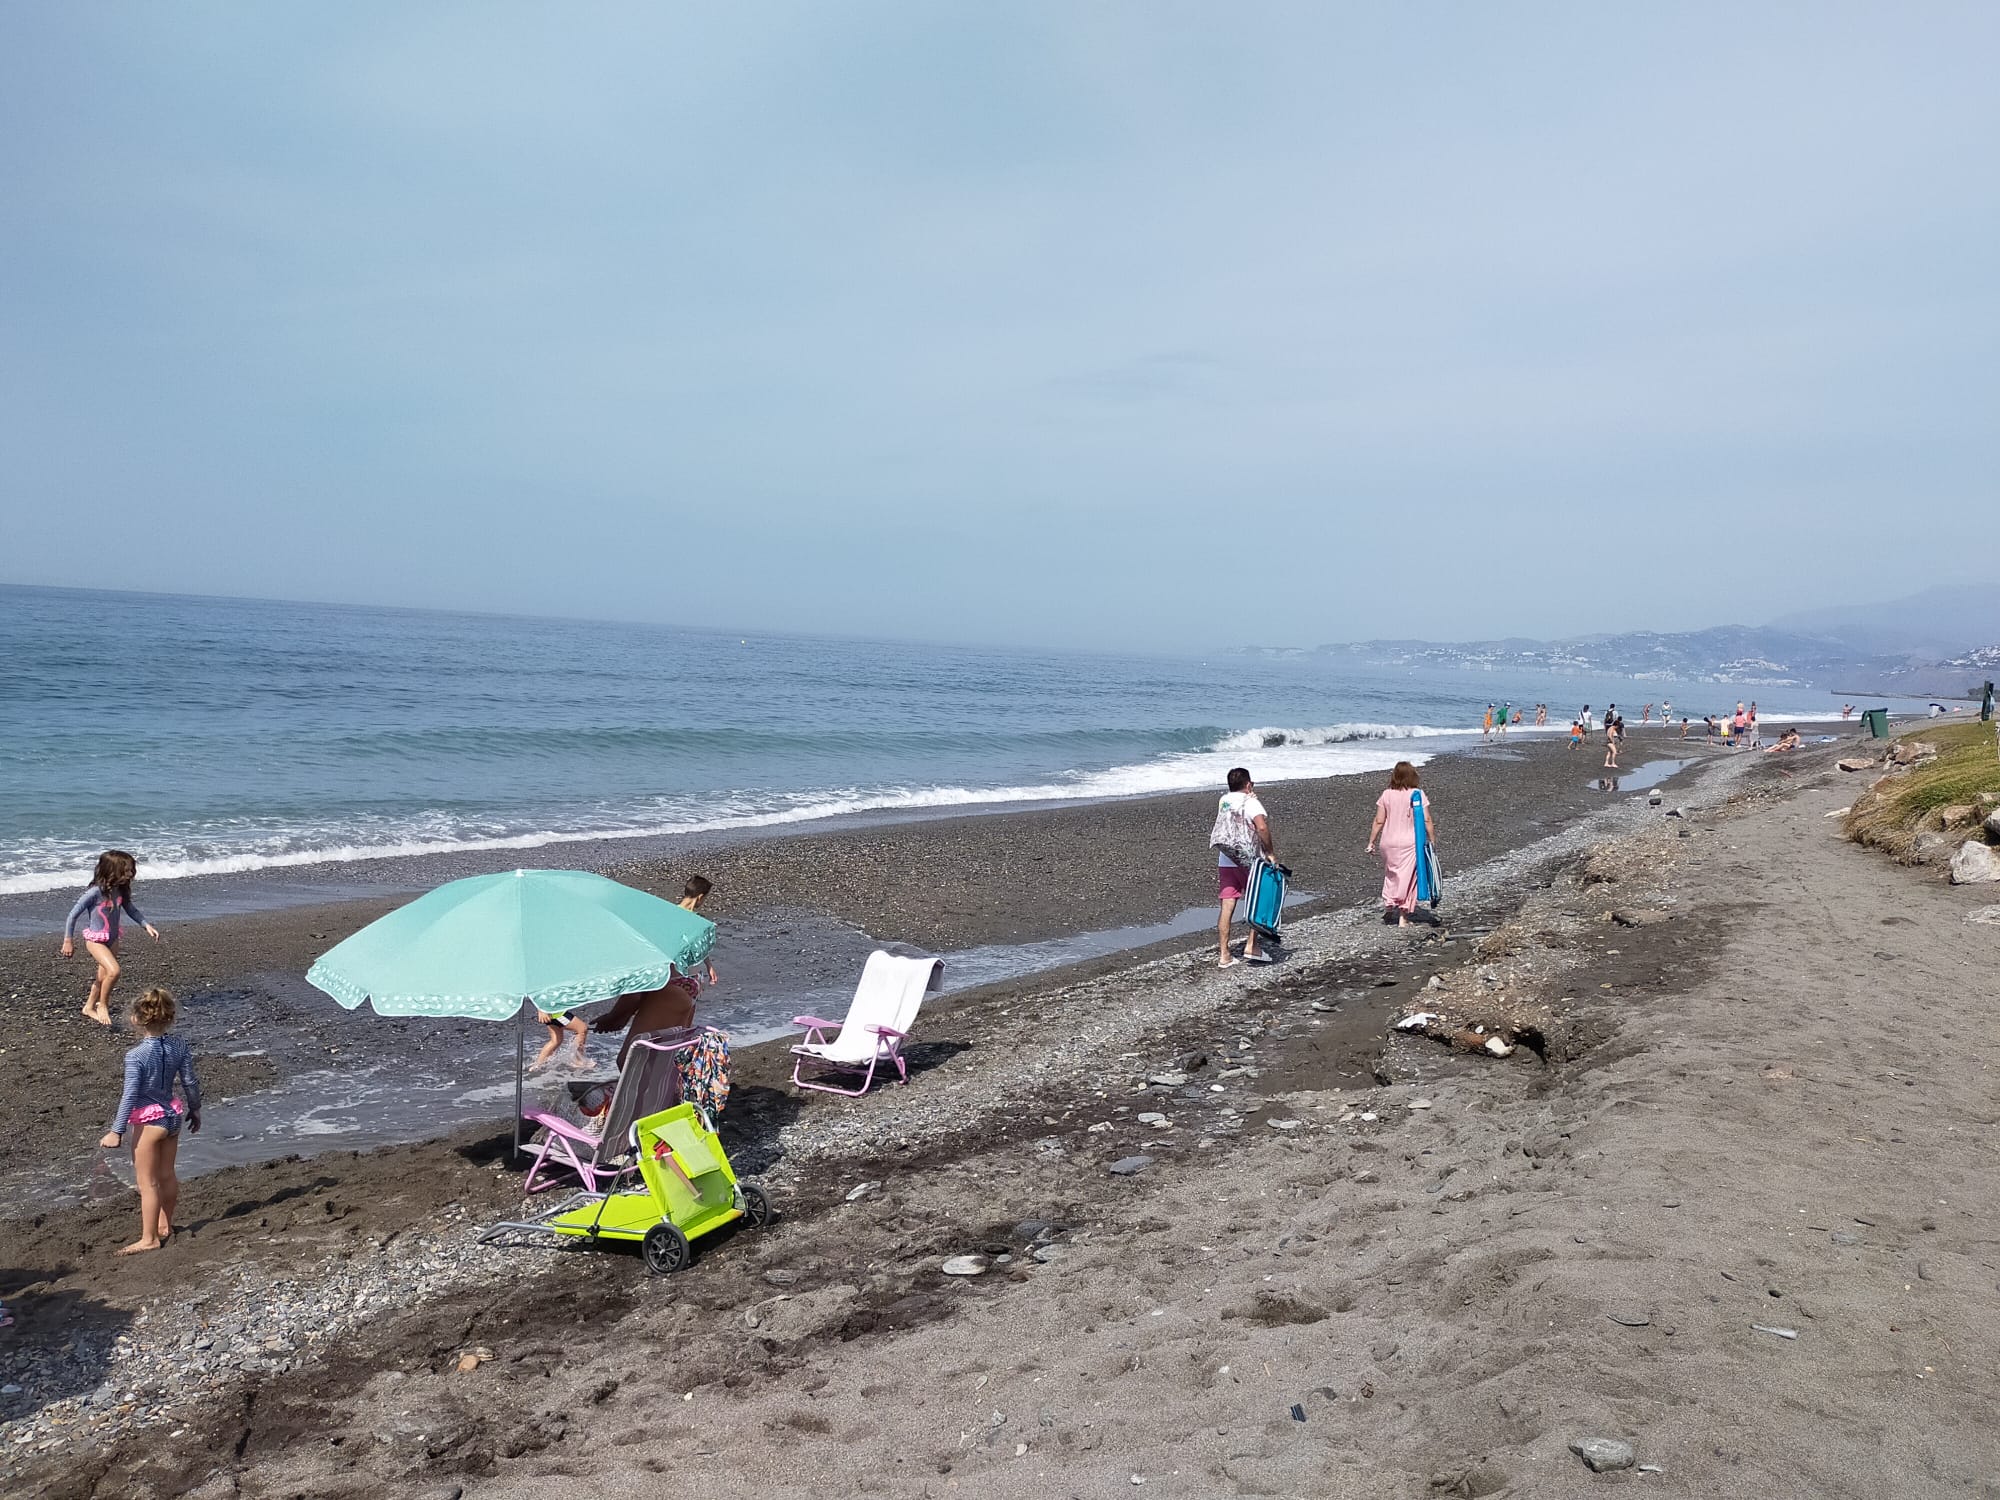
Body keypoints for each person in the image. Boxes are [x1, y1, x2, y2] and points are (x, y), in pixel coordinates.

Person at [99, 988, 201, 1255]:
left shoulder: (135, 1056)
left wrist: (116, 1130)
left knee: (148, 1183)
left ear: (135, 1019)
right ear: (170, 1017)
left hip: (150, 1121)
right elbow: (189, 1081)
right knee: (167, 1175)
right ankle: (166, 1225)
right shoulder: (179, 1045)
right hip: (173, 1116)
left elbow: (130, 1095)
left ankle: (149, 1238)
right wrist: (196, 1108)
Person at [63, 851, 162, 1028]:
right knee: (114, 972)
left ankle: (88, 1007)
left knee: (102, 977)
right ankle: (103, 1005)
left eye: (131, 870)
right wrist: (68, 940)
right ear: (111, 870)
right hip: (96, 940)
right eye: (126, 871)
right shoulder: (94, 893)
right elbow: (72, 915)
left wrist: (146, 925)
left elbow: (131, 909)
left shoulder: (120, 891)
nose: (130, 874)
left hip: (113, 938)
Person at [1212, 768, 1273, 967]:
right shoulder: (1252, 802)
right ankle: (1251, 945)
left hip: (1227, 859)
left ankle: (1224, 954)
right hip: (1250, 860)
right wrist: (1270, 852)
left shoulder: (1224, 800)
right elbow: (1261, 827)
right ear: (1248, 784)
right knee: (1259, 901)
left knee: (1227, 905)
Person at [1367, 762, 1434, 928]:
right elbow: (1426, 819)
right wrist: (1432, 838)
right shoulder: (1417, 794)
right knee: (1408, 878)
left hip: (1388, 841)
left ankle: (1389, 907)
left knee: (1391, 873)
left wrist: (1371, 842)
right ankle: (1403, 916)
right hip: (1409, 842)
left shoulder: (1386, 794)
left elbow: (1379, 820)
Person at [530, 1006, 589, 1072]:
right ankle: (578, 1061)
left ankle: (537, 1064)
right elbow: (538, 995)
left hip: (553, 1011)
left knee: (556, 1040)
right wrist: (541, 1010)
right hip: (557, 1013)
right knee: (582, 1029)